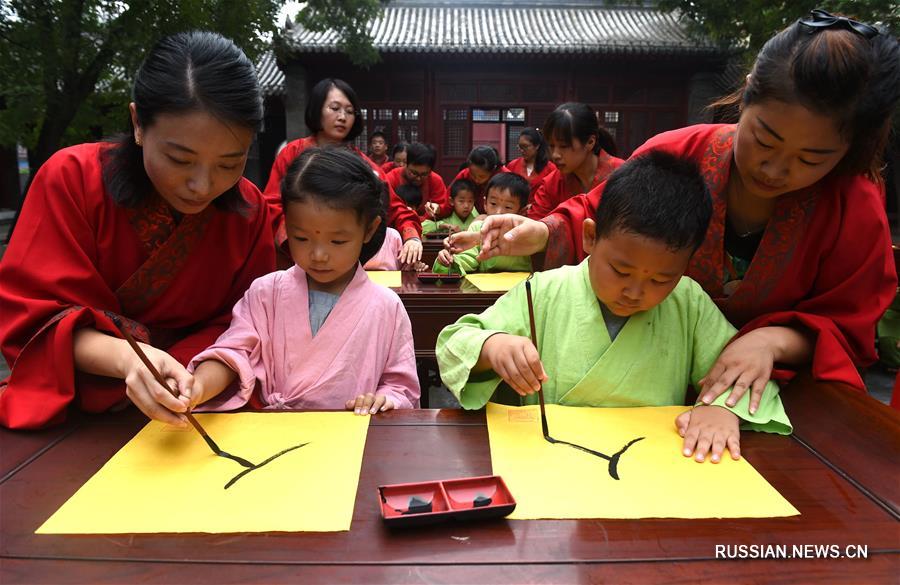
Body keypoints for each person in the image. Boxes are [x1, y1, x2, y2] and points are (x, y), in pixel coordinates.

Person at [465, 10, 899, 406]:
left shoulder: (853, 203)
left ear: (848, 150)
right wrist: (542, 232)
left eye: (811, 159)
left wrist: (773, 342)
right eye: (765, 139)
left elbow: (849, 326)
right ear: (747, 95)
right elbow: (608, 214)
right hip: (654, 386)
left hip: (765, 398)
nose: (776, 169)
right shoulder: (679, 152)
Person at [437, 152, 791, 463]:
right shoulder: (545, 290)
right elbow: (454, 342)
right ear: (590, 237)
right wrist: (493, 346)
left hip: (652, 467)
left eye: (660, 279)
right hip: (548, 463)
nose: (635, 291)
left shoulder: (688, 302)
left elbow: (738, 375)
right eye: (621, 270)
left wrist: (719, 408)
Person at [0, 31, 276, 429]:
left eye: (229, 163)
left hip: (196, 405)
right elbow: (32, 319)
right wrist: (129, 360)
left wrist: (194, 381)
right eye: (180, 159)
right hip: (75, 409)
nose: (202, 185)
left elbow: (250, 323)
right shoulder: (72, 179)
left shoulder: (249, 211)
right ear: (138, 124)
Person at [189, 148, 420, 415]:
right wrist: (197, 387)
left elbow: (400, 387)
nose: (318, 255)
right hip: (275, 436)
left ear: (369, 229)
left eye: (337, 241)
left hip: (348, 441)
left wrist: (383, 400)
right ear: (287, 223)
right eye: (301, 238)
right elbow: (234, 353)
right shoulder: (266, 293)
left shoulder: (386, 306)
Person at [262, 79, 422, 265]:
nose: (342, 117)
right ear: (317, 109)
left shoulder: (363, 164)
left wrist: (411, 236)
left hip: (344, 261)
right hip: (296, 258)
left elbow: (394, 207)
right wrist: (298, 240)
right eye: (335, 108)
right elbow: (272, 204)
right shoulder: (293, 153)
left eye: (349, 111)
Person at [527, 103, 624, 220]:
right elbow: (535, 225)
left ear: (590, 142)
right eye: (551, 146)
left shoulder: (623, 176)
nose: (555, 155)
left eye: (564, 146)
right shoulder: (552, 184)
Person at [433, 173, 531, 275]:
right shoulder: (478, 227)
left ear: (522, 211)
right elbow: (470, 256)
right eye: (493, 203)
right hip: (487, 287)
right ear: (485, 203)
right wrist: (451, 261)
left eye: (508, 207)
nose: (498, 212)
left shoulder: (527, 231)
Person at [386, 143, 450, 220]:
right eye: (414, 173)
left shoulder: (436, 180)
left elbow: (445, 207)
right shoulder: (391, 178)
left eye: (424, 174)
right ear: (406, 164)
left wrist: (439, 209)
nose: (418, 178)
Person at [452, 145, 508, 213]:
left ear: (493, 170)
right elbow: (450, 198)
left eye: (482, 177)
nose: (476, 180)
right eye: (473, 175)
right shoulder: (465, 174)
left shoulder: (505, 178)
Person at [506, 128, 556, 201]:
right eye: (520, 147)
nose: (522, 150)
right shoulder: (512, 165)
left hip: (540, 209)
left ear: (537, 146)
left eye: (525, 146)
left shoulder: (550, 168)